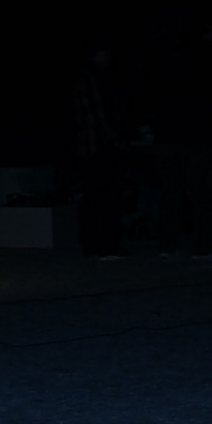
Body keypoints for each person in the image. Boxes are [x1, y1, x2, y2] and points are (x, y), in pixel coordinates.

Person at [145, 6, 212, 258]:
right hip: (196, 136)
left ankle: (167, 244)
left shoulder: (164, 57)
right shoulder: (206, 59)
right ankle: (201, 246)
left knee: (171, 193)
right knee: (202, 193)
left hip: (166, 136)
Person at [72, 38, 128, 259]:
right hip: (99, 148)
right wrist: (116, 139)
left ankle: (94, 244)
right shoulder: (93, 80)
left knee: (92, 198)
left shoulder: (84, 79)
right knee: (104, 197)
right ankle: (104, 245)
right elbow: (98, 116)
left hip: (88, 148)